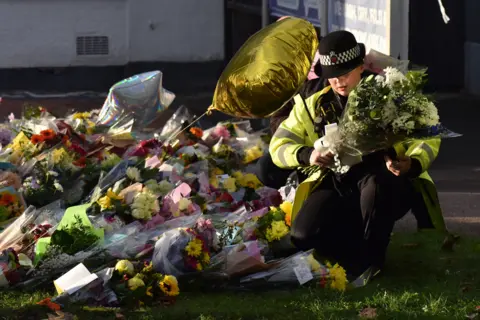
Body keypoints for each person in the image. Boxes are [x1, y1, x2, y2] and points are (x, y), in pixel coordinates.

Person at [269, 30, 446, 278]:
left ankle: (371, 261)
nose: (339, 83)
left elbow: (427, 134)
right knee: (303, 236)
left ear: (361, 67)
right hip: (336, 180)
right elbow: (279, 144)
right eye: (332, 78)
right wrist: (307, 154)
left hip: (383, 179)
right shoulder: (312, 105)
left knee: (376, 190)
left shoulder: (387, 95)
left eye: (345, 75)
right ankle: (351, 245)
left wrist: (411, 162)